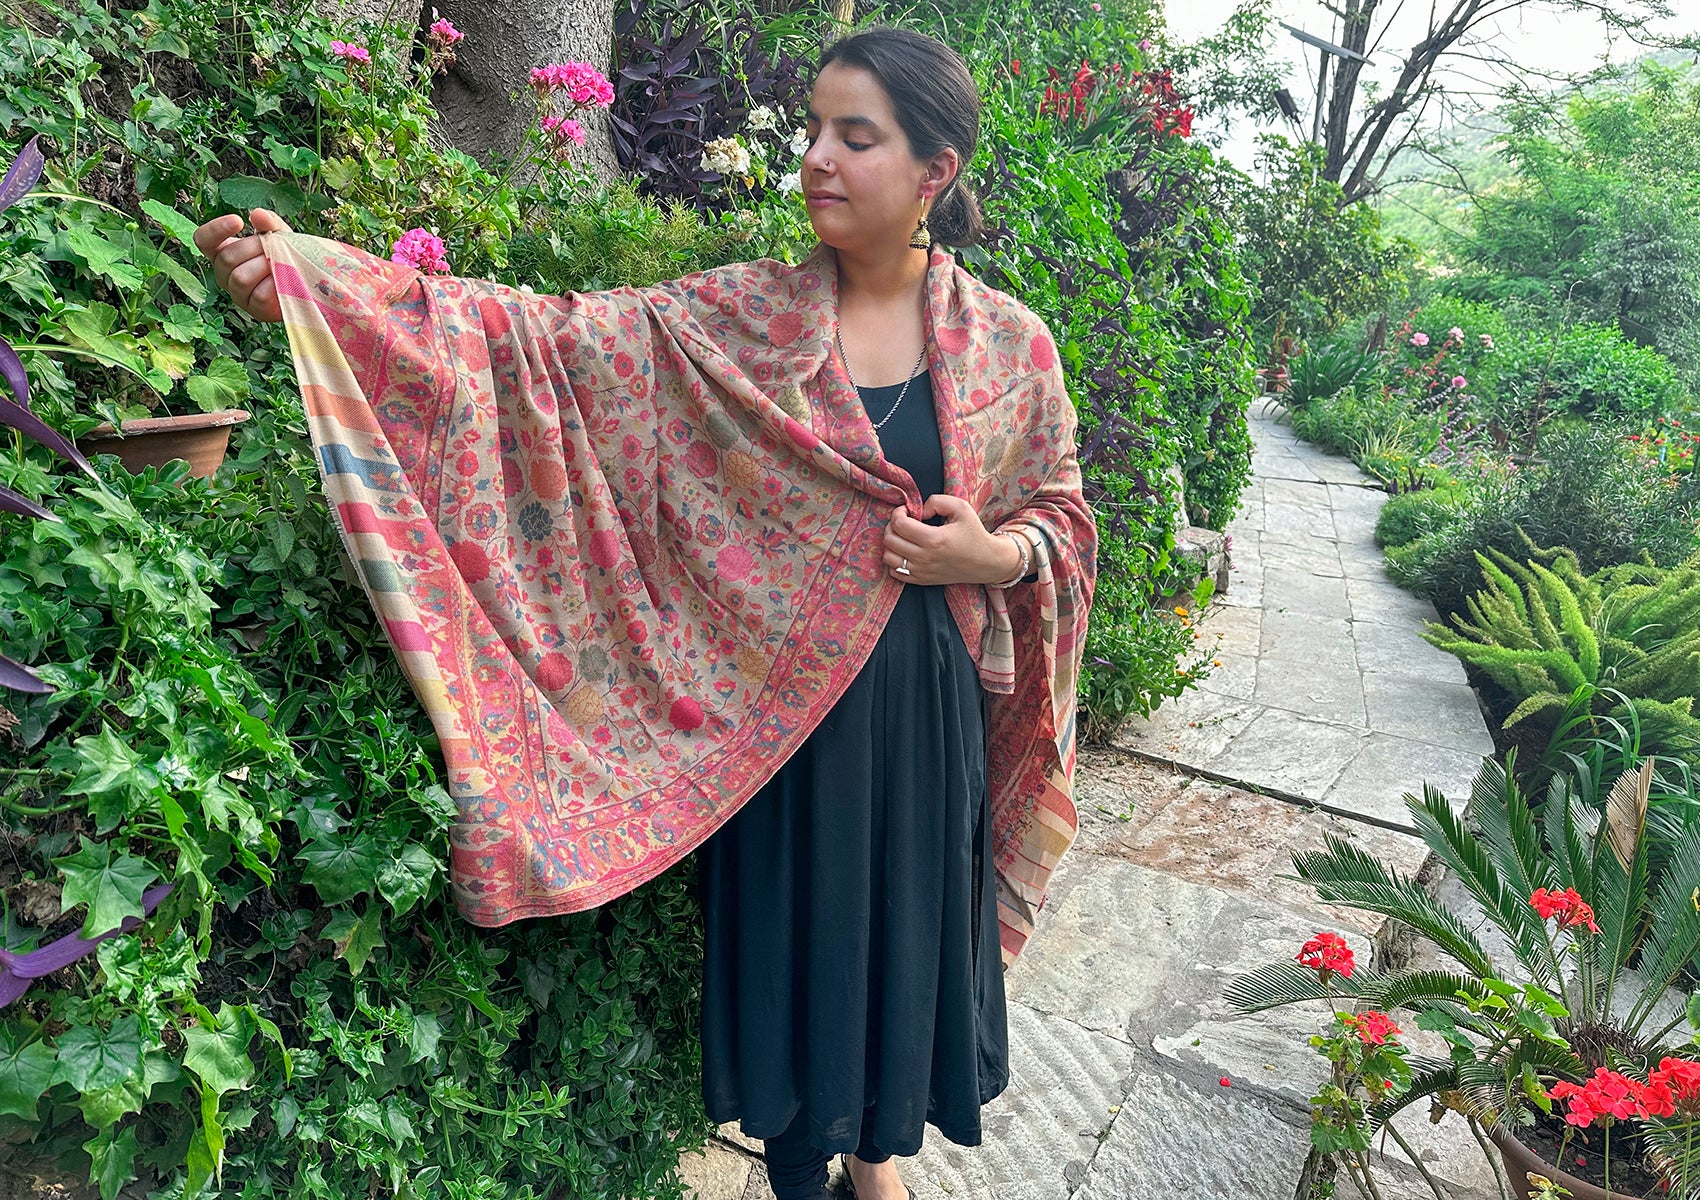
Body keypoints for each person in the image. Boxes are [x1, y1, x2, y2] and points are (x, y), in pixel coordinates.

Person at [194, 28, 1094, 1200]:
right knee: (793, 943)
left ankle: (877, 1164)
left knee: (897, 937)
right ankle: (799, 1168)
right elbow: (544, 349)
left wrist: (994, 550)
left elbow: (1063, 518)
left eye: (853, 137)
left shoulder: (1007, 348)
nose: (815, 158)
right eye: (811, 128)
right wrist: (330, 290)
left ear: (934, 171)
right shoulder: (739, 321)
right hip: (772, 726)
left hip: (915, 716)